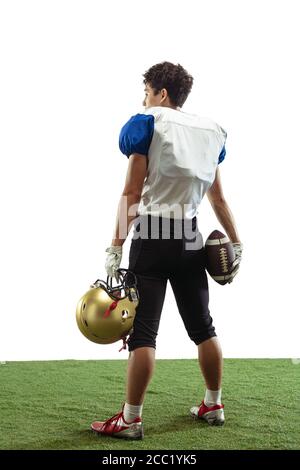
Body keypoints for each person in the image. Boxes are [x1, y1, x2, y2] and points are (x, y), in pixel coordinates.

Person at [91, 61, 243, 440]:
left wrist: (115, 245)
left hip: (153, 234)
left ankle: (130, 420)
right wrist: (236, 240)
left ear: (161, 93)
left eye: (146, 92)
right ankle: (213, 404)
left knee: (143, 334)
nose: (144, 99)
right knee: (203, 326)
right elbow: (219, 198)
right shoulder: (212, 131)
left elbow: (131, 192)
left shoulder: (147, 123)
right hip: (191, 236)